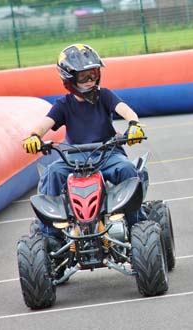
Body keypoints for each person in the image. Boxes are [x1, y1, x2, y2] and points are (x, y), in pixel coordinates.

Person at [22, 43, 147, 240]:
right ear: (69, 79)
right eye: (84, 76)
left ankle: (137, 224)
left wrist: (133, 124)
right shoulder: (63, 104)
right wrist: (34, 136)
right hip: (73, 158)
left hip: (108, 153)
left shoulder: (104, 95)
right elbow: (46, 123)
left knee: (127, 169)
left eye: (94, 73)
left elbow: (124, 108)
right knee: (52, 173)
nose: (91, 80)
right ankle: (50, 235)